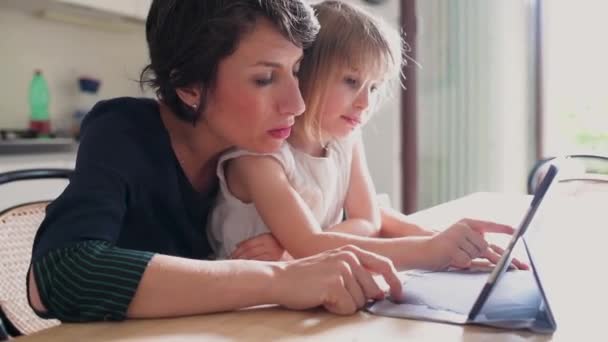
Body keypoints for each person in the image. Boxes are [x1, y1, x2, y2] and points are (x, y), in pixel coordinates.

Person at [26, 0, 405, 322]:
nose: (297, 104)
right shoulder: (124, 131)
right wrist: (277, 278)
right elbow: (61, 274)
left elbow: (347, 210)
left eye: (296, 71)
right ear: (188, 86)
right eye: (264, 79)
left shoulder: (255, 145)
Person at [209, 1, 527, 271]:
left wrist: (301, 246)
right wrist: (430, 251)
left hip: (307, 282)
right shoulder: (259, 160)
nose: (365, 102)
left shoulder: (344, 140)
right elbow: (316, 244)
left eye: (373, 87)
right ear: (305, 72)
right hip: (245, 304)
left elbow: (367, 221)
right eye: (351, 81)